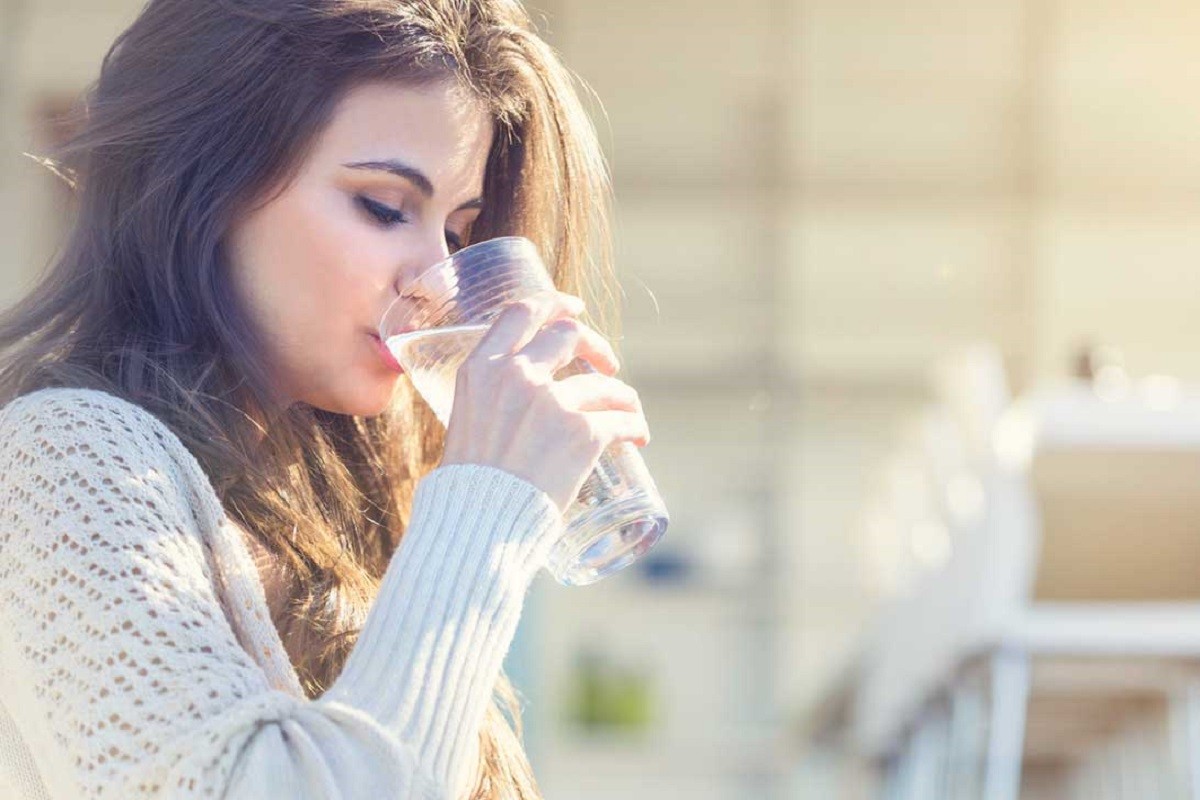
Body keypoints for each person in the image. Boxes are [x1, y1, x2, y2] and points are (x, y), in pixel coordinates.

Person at [0, 1, 650, 798]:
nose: (430, 279)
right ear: (209, 184)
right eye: (383, 206)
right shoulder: (66, 452)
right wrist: (489, 501)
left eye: (457, 232)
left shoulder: (336, 506)